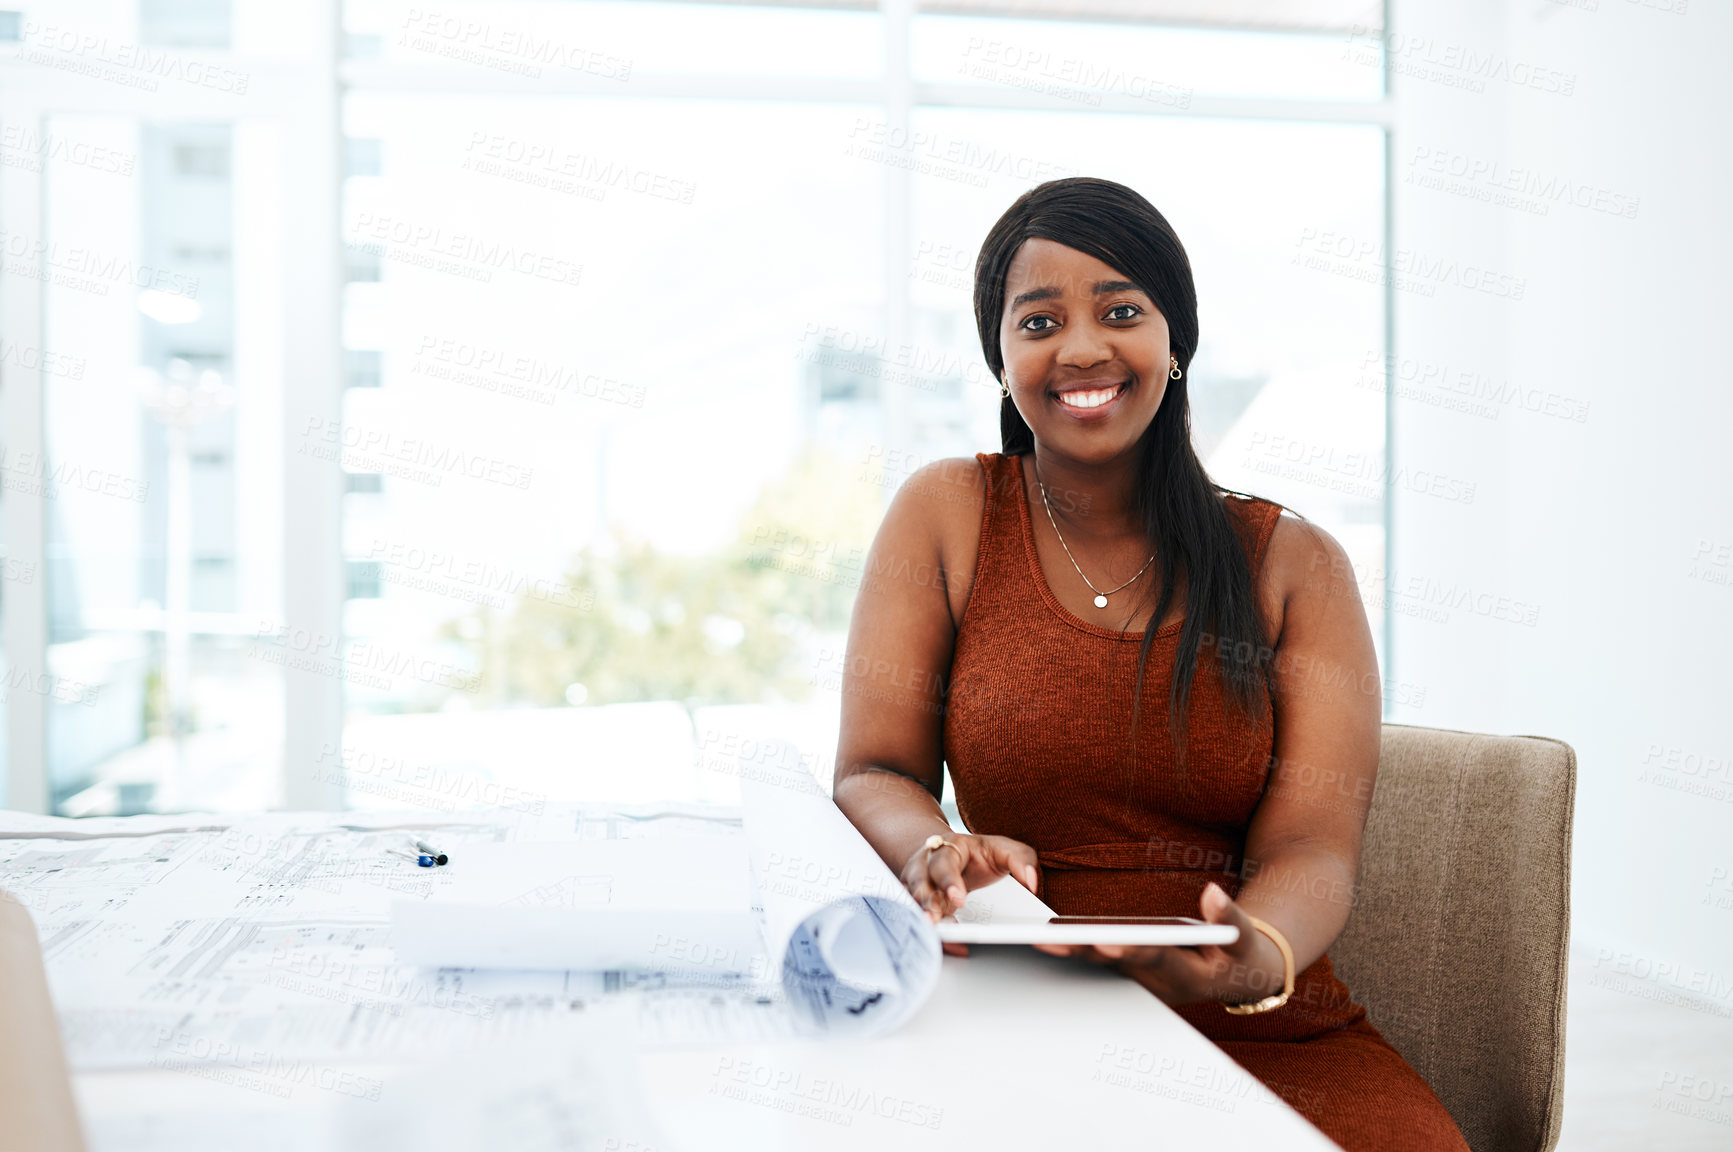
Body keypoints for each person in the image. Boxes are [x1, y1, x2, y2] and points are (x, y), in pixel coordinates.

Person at [831, 177, 1469, 1152]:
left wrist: (1255, 955)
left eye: (1120, 311)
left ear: (1174, 343)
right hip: (1017, 997)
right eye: (1038, 319)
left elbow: (1311, 847)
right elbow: (874, 771)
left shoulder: (1292, 565)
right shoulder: (949, 514)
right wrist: (936, 847)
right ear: (999, 359)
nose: (1081, 347)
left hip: (1248, 1013)